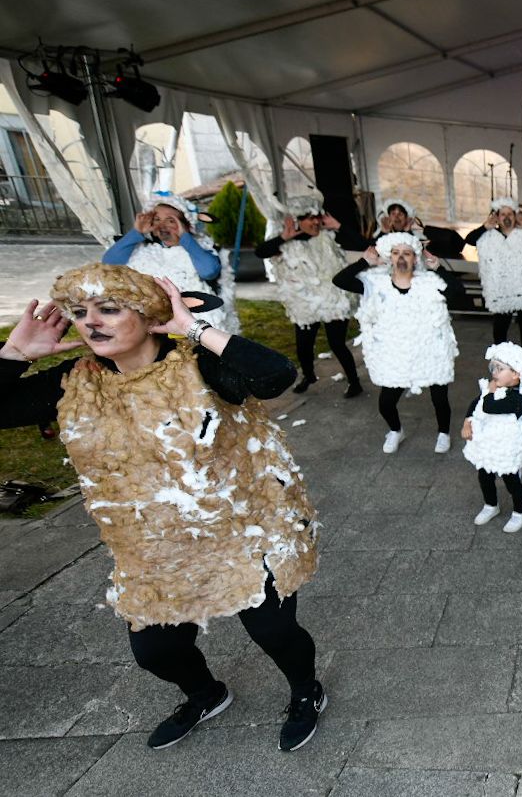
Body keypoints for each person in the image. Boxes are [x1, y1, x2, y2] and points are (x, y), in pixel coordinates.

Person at [0, 264, 325, 752]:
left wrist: (194, 327)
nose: (92, 323)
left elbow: (276, 375)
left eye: (109, 309)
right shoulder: (77, 380)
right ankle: (206, 693)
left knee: (274, 629)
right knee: (154, 651)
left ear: (150, 314)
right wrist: (15, 354)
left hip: (245, 525)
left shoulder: (197, 364)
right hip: (155, 545)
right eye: (82, 312)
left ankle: (306, 691)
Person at [332, 232, 461, 455]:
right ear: (389, 257)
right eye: (396, 253)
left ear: (415, 258)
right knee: (386, 402)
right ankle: (395, 430)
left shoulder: (429, 282)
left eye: (407, 253)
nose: (401, 257)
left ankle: (443, 433)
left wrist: (438, 267)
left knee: (439, 398)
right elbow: (339, 280)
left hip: (429, 351)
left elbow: (459, 292)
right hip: (396, 354)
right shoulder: (374, 283)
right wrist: (365, 262)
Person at [254, 195, 364, 397]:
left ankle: (354, 381)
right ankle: (309, 376)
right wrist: (283, 238)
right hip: (304, 304)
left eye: (317, 217)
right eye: (309, 218)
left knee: (337, 344)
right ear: (297, 220)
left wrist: (338, 225)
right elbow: (260, 252)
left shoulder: (329, 236)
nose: (315, 222)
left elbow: (361, 243)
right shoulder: (286, 240)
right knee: (303, 345)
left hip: (333, 300)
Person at [104, 193, 237, 333]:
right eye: (157, 219)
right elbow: (108, 263)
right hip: (151, 320)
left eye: (170, 221)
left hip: (193, 318)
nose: (162, 225)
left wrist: (185, 238)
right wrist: (137, 232)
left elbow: (209, 271)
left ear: (185, 225)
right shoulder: (143, 250)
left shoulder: (200, 248)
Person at [462, 342, 522, 533]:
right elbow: (475, 404)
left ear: (516, 374)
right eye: (493, 367)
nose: (494, 372)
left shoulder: (518, 398)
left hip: (506, 450)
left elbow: (489, 406)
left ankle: (520, 512)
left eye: (500, 368)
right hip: (487, 446)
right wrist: (467, 422)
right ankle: (490, 505)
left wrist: (490, 392)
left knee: (511, 480)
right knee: (484, 476)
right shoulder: (492, 389)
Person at [465, 197, 522, 349]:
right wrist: (484, 227)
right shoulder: (488, 235)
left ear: (516, 216)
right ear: (497, 217)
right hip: (501, 289)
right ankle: (500, 358)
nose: (507, 217)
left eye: (510, 214)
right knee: (500, 326)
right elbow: (469, 240)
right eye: (503, 214)